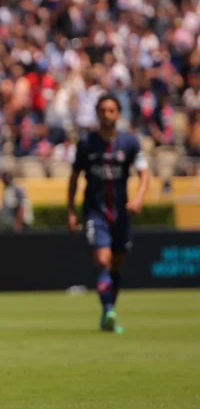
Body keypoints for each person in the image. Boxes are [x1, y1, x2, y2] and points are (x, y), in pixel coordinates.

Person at [67, 93, 149, 333]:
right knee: (102, 259)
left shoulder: (130, 142)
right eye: (103, 110)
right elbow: (74, 177)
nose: (107, 115)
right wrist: (71, 210)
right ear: (97, 113)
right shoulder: (86, 143)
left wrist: (139, 198)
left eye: (111, 110)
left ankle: (108, 311)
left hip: (121, 214)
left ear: (118, 114)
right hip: (95, 212)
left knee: (116, 265)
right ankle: (109, 311)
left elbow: (144, 173)